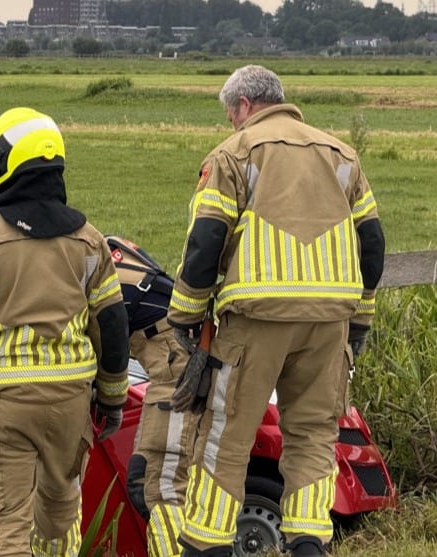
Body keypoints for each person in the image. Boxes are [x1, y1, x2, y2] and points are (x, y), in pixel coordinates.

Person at [168, 66, 385, 557]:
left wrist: (184, 318)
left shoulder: (234, 154)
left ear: (244, 104)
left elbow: (204, 245)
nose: (231, 123)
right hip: (329, 322)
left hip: (256, 322)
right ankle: (309, 544)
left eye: (231, 114)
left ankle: (206, 547)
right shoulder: (342, 156)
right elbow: (372, 246)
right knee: (311, 439)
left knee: (226, 438)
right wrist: (359, 324)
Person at [0, 108, 131, 557]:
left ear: (7, 169)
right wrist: (111, 400)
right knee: (59, 520)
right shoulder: (90, 241)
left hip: (4, 406)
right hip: (72, 403)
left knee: (4, 524)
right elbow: (112, 327)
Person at [107, 236, 194, 557]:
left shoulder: (82, 271)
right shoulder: (102, 249)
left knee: (159, 487)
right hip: (171, 361)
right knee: (146, 481)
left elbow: (104, 349)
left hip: (175, 365)